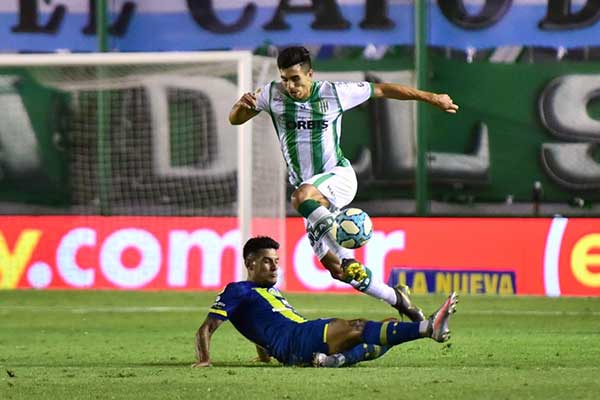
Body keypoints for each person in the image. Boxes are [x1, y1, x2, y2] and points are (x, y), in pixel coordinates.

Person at [229, 46, 459, 322]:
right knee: (339, 271)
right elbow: (235, 119)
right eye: (285, 79)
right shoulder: (271, 94)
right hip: (313, 199)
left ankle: (344, 247)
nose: (290, 86)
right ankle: (400, 300)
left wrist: (433, 98)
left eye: (296, 79)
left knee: (300, 197)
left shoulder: (334, 93)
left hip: (337, 178)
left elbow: (384, 90)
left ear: (310, 74)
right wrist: (241, 107)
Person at [193, 236, 458, 368]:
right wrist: (204, 359)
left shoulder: (268, 293)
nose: (274, 267)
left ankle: (337, 360)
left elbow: (258, 326)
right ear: (249, 263)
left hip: (301, 336)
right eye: (266, 261)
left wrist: (264, 356)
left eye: (276, 261)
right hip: (296, 339)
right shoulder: (237, 290)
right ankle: (428, 329)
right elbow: (206, 328)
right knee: (357, 327)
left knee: (386, 326)